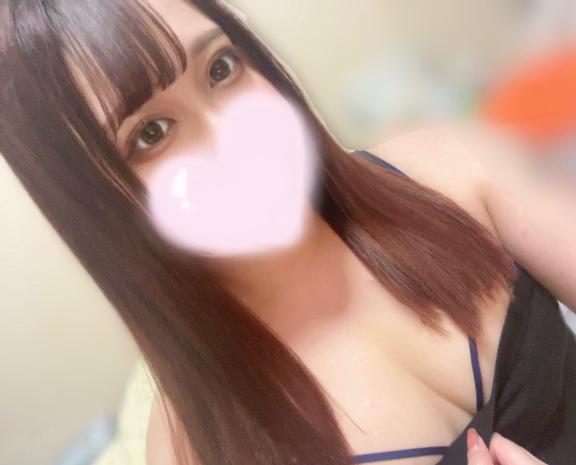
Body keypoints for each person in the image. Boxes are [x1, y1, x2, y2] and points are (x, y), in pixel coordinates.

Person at [1, 1, 574, 465]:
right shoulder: (197, 449)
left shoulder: (457, 169)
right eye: (150, 134)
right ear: (99, 208)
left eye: (221, 68)